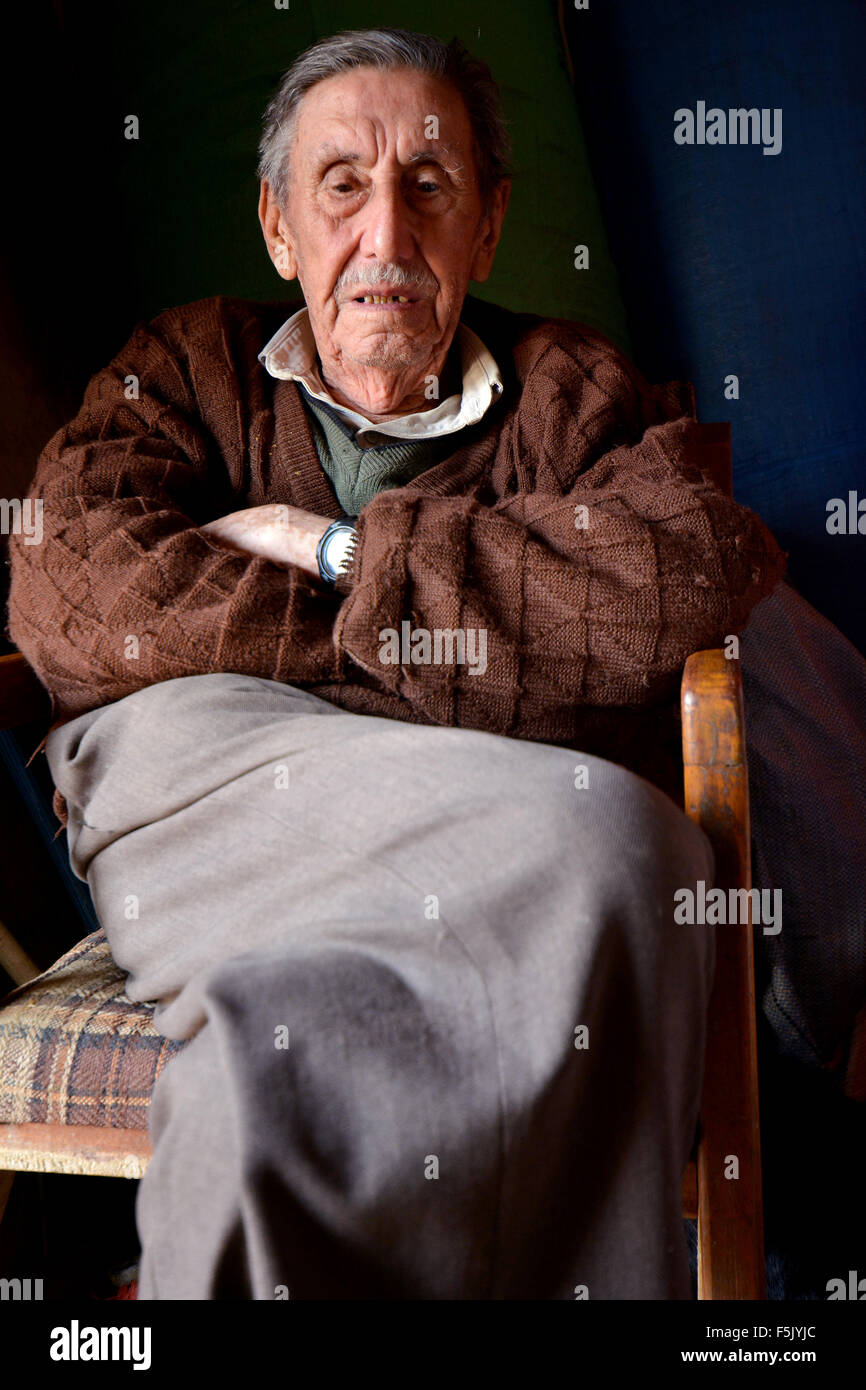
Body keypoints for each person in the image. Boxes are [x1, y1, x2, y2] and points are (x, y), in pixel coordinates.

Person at [5, 28, 786, 1299]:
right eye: (340, 185)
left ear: (485, 228)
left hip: (490, 825)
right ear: (277, 227)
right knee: (604, 841)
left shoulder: (571, 395)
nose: (384, 231)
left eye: (428, 185)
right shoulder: (183, 369)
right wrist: (473, 641)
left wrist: (325, 551)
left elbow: (686, 567)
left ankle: (245, 1168)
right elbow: (75, 590)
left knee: (605, 857)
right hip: (213, 784)